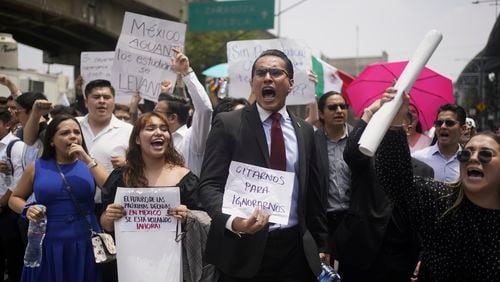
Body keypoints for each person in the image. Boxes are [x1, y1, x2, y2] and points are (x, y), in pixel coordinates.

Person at [198, 49, 328, 281]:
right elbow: (209, 186)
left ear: (290, 84)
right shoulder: (228, 124)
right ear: (252, 82)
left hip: (295, 251)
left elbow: (314, 194)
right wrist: (234, 222)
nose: (267, 77)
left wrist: (321, 243)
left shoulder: (305, 131)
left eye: (276, 72)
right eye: (260, 73)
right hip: (241, 251)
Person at [376, 88, 499, 281]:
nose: (473, 158)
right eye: (467, 153)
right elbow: (397, 182)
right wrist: (394, 122)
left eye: (485, 154)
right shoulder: (441, 200)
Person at [336, 95, 433, 282]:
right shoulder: (367, 158)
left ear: (408, 128)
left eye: (396, 124)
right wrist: (369, 112)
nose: (389, 129)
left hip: (399, 257)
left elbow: (423, 218)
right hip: (361, 250)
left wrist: (422, 255)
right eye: (387, 124)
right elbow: (350, 154)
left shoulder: (424, 170)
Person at [99, 112, 199, 282]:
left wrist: (188, 216)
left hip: (172, 266)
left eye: (164, 129)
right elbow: (105, 224)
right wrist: (109, 216)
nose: (159, 133)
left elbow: (202, 220)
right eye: (150, 128)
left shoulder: (187, 179)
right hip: (128, 266)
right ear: (137, 139)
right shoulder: (119, 177)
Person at [8, 114, 109, 282]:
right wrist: (27, 209)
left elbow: (109, 188)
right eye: (65, 133)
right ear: (52, 141)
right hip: (48, 239)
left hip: (85, 238)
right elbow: (14, 198)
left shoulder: (90, 164)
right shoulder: (37, 167)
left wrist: (87, 159)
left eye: (76, 132)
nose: (72, 136)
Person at [153, 49, 213, 177]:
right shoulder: (151, 139)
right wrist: (164, 95)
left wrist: (186, 72)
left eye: (157, 112)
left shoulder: (193, 139)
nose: (152, 117)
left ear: (173, 118)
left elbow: (205, 109)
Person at [314, 91, 352, 269]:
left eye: (342, 106)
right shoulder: (312, 142)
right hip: (325, 222)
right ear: (321, 113)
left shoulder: (360, 139)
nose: (339, 110)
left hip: (355, 220)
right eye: (332, 107)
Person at [412, 104, 466, 182]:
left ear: (463, 129)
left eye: (449, 123)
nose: (443, 127)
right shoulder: (418, 158)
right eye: (439, 123)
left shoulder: (469, 161)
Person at [0, 107, 23, 282]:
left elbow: (20, 179)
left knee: (12, 254)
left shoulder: (15, 146)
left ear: (7, 124)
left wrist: (4, 201)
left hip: (8, 210)